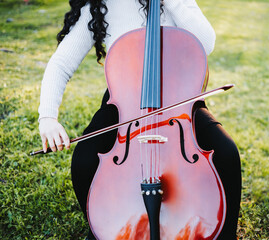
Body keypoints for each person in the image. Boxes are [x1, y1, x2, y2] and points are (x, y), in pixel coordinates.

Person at [38, 0, 241, 239]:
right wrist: (48, 117)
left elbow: (206, 43)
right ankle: (107, 228)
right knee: (84, 159)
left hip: (180, 99)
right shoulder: (101, 5)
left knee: (226, 152)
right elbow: (61, 63)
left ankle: (224, 234)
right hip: (125, 101)